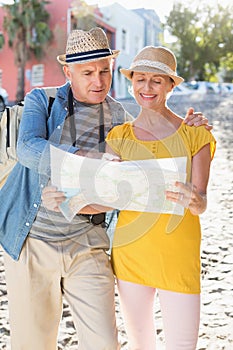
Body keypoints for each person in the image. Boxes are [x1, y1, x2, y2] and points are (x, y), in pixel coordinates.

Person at [0, 27, 210, 350]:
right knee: (32, 343)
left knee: (103, 343)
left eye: (104, 71)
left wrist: (191, 125)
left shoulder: (119, 119)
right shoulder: (41, 100)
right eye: (87, 73)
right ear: (68, 72)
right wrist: (81, 158)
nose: (98, 81)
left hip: (89, 242)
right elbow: (28, 148)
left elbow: (147, 154)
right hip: (33, 241)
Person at [104, 46, 216, 350]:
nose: (147, 88)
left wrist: (195, 200)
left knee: (182, 344)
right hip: (130, 255)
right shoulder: (117, 138)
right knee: (141, 343)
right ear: (132, 83)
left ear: (170, 85)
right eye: (140, 79)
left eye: (156, 80)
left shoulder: (196, 134)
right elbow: (106, 196)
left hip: (178, 256)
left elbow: (202, 201)